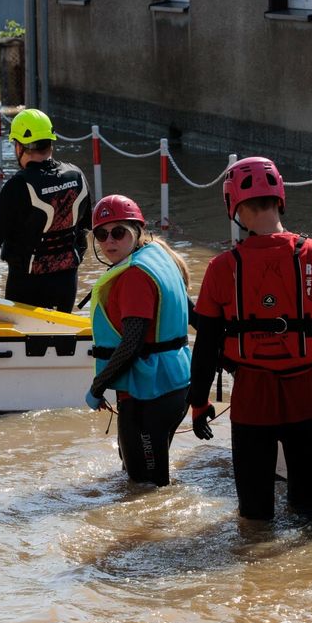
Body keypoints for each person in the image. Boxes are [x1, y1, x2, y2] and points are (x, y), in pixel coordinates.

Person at [186, 157, 312, 521]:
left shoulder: (221, 268)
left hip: (251, 398)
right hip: (307, 393)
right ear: (280, 198)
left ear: (236, 206)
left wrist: (198, 403)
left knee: (255, 518)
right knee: (309, 511)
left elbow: (207, 346)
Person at [84, 195, 192, 487]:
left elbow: (131, 343)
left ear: (137, 231)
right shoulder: (159, 257)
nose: (109, 242)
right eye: (101, 235)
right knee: (139, 477)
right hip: (175, 385)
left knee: (145, 487)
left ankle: (154, 533)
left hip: (150, 393)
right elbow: (194, 315)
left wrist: (98, 386)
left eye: (118, 232)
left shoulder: (134, 276)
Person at [0, 108, 91, 312]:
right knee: (61, 338)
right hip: (67, 282)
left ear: (20, 147)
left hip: (26, 284)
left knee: (27, 341)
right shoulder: (76, 176)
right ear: (50, 142)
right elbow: (86, 229)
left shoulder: (19, 185)